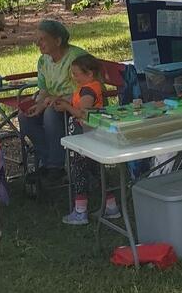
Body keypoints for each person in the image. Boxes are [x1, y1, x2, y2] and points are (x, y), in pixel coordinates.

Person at [53, 54, 120, 225]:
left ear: (89, 74)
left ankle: (80, 210)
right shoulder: (89, 87)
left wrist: (67, 107)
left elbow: (83, 112)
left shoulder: (89, 90)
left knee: (78, 170)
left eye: (76, 74)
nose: (73, 77)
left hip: (85, 137)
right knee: (97, 169)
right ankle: (111, 206)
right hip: (88, 136)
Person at [19, 19, 86, 181]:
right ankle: (48, 162)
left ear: (57, 40)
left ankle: (55, 166)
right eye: (37, 39)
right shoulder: (43, 61)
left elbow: (87, 89)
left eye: (42, 39)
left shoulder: (76, 58)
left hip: (78, 105)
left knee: (51, 111)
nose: (37, 43)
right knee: (25, 116)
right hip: (54, 102)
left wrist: (51, 101)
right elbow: (44, 90)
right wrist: (39, 103)